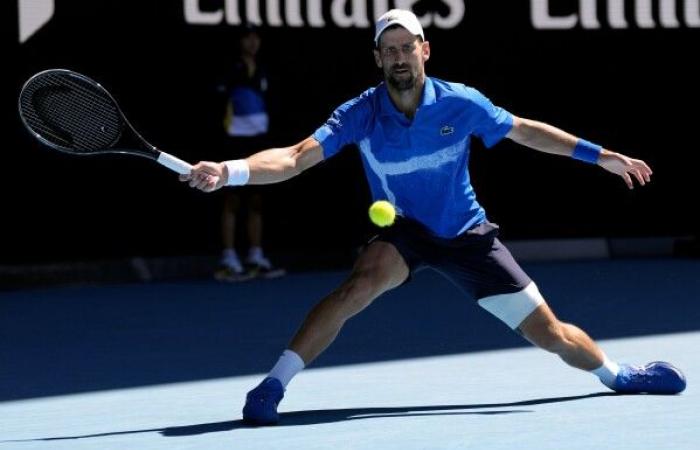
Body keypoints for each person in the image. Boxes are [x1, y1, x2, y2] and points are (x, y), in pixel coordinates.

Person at [181, 9, 686, 424]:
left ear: (425, 50)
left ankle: (620, 376)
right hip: (402, 233)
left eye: (408, 46)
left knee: (550, 334)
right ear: (377, 58)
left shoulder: (460, 103)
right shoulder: (360, 111)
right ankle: (273, 385)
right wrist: (230, 171)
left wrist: (600, 156)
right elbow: (293, 157)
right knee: (354, 289)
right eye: (390, 49)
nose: (400, 57)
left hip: (466, 233)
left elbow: (526, 131)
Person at [214, 24, 285, 281]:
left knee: (257, 201)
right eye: (248, 38)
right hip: (234, 141)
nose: (253, 42)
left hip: (259, 141)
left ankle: (255, 256)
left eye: (256, 37)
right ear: (240, 42)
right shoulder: (229, 69)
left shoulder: (264, 70)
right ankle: (229, 258)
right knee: (231, 200)